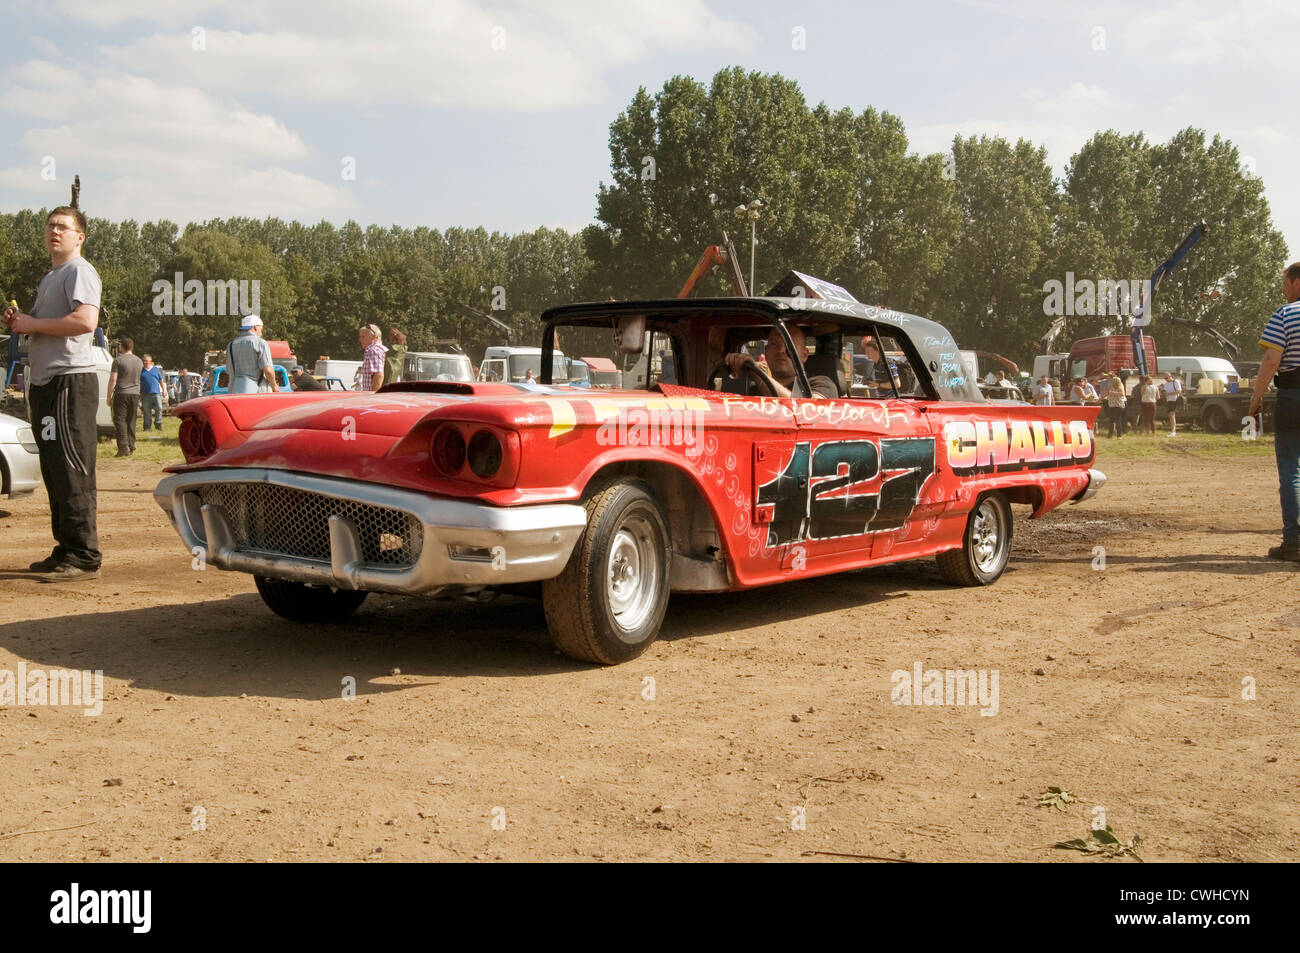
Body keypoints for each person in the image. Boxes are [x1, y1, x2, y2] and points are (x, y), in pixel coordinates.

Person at [1, 202, 103, 581]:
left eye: (62, 226)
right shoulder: (53, 276)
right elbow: (44, 324)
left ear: (80, 237)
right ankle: (66, 547)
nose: (54, 231)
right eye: (49, 225)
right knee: (55, 467)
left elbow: (85, 320)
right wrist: (23, 323)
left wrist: (33, 323)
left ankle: (83, 555)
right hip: (48, 381)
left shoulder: (80, 270)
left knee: (71, 466)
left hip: (69, 382)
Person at [1250, 262, 1300, 561]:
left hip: (1294, 395)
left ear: (1296, 283)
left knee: (1292, 469)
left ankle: (1294, 543)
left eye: (1284, 282)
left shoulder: (1286, 314)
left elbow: (1271, 359)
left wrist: (1256, 398)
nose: (1283, 289)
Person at [725, 325, 837, 399]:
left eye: (790, 346)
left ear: (804, 355)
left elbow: (808, 410)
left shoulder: (823, 385)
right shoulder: (751, 390)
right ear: (766, 351)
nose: (781, 351)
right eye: (774, 344)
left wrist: (759, 377)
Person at [106, 337, 142, 456]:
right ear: (131, 347)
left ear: (122, 347)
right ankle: (131, 446)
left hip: (122, 393)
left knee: (119, 419)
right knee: (131, 419)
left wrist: (109, 396)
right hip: (135, 393)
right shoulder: (139, 361)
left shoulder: (118, 360)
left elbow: (113, 379)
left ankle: (123, 447)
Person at [225, 314, 279, 393]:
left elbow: (228, 370)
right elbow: (268, 370)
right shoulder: (260, 343)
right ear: (255, 327)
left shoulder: (231, 345)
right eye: (261, 330)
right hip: (257, 393)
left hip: (235, 392)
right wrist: (274, 386)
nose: (261, 333)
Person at [139, 353, 164, 432]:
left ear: (150, 361)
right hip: (145, 394)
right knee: (146, 411)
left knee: (159, 408)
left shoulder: (155, 369)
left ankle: (158, 424)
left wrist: (164, 390)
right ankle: (147, 426)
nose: (145, 362)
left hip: (156, 393)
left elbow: (161, 380)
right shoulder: (141, 370)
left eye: (147, 361)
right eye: (144, 361)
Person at [358, 324, 387, 391]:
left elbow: (378, 375)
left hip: (372, 397)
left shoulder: (373, 351)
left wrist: (373, 397)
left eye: (363, 337)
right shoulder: (380, 350)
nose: (360, 340)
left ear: (374, 337)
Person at [1104, 373, 1126, 437]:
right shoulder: (1110, 386)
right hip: (1112, 405)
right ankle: (1110, 434)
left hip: (1118, 405)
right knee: (1111, 420)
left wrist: (1113, 393)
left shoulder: (1120, 387)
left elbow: (1122, 394)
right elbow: (1106, 393)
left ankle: (1119, 435)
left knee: (1117, 420)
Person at [1162, 371, 1183, 436]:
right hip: (1168, 400)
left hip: (1175, 400)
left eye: (1167, 378)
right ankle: (1173, 431)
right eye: (1165, 378)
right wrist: (1164, 393)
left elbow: (1179, 391)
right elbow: (1165, 392)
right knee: (1171, 416)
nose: (1166, 379)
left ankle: (1173, 431)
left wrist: (1168, 393)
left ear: (1170, 376)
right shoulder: (1166, 384)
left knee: (1172, 415)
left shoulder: (1175, 382)